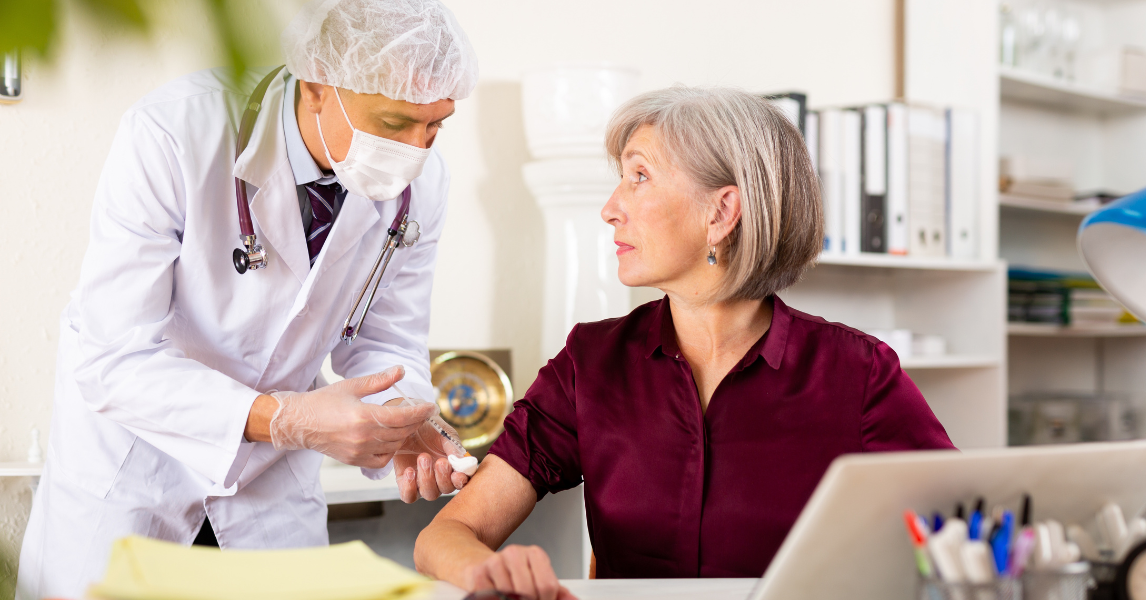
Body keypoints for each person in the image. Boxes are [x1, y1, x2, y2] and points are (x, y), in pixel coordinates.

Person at [413, 87, 957, 599]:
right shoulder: (590, 363)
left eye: (640, 176)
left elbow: (964, 534)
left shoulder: (857, 373)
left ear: (721, 212)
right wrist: (486, 569)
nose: (610, 207)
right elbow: (447, 534)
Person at [16, 0, 478, 597]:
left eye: (436, 125)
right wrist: (286, 418)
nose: (417, 151)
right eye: (394, 125)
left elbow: (385, 340)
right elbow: (112, 359)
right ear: (317, 87)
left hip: (269, 498)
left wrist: (402, 417)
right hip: (135, 473)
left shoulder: (421, 184)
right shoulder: (176, 133)